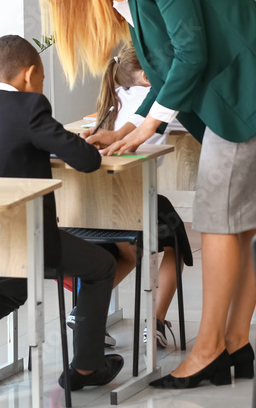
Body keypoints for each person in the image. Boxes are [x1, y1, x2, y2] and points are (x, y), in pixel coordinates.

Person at [37, 0, 256, 389]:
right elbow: (164, 70)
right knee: (248, 219)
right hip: (243, 94)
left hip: (247, 93)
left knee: (217, 219)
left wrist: (149, 126)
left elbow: (191, 51)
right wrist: (128, 125)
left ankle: (208, 351)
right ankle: (236, 341)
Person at [0, 35, 124, 392]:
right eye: (43, 79)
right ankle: (88, 366)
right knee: (102, 266)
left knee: (12, 288)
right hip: (28, 235)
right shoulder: (31, 107)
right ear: (30, 75)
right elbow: (88, 161)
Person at [93, 45, 194, 348]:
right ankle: (157, 323)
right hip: (132, 200)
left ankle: (86, 311)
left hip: (96, 205)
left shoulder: (115, 98)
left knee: (129, 253)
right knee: (177, 244)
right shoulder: (159, 98)